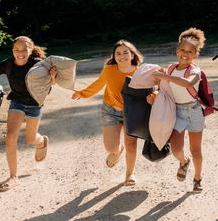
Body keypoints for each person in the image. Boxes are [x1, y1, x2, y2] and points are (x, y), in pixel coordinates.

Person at [0, 36, 58, 191]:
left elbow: (47, 86)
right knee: (10, 137)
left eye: (24, 49)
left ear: (31, 50)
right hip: (17, 102)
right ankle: (13, 176)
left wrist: (52, 78)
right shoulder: (8, 64)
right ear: (12, 50)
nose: (20, 53)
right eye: (16, 50)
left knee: (31, 139)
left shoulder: (39, 65)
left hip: (34, 104)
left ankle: (42, 141)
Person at [71, 40, 143, 186]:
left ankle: (130, 174)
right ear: (114, 56)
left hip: (132, 112)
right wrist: (83, 93)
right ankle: (117, 151)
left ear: (132, 54)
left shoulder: (139, 71)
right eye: (118, 53)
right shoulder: (109, 70)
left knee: (131, 144)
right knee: (110, 148)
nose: (122, 56)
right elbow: (99, 83)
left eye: (125, 52)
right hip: (110, 110)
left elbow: (149, 88)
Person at [149, 28, 207, 193]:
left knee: (196, 149)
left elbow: (187, 84)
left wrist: (165, 77)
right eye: (182, 50)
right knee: (176, 148)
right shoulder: (171, 69)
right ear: (177, 50)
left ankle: (197, 179)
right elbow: (165, 89)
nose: (185, 54)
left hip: (194, 111)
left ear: (195, 54)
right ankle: (183, 162)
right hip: (178, 112)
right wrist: (155, 92)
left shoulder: (196, 71)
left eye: (190, 52)